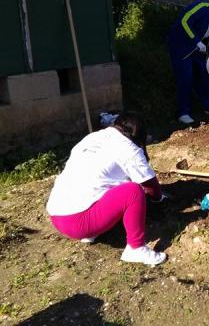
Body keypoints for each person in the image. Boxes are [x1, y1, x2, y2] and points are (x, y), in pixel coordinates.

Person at [46, 112, 167, 266]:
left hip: (58, 216)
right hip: (79, 222)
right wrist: (159, 198)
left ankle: (92, 232)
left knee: (109, 182)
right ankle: (135, 249)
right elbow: (149, 185)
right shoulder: (130, 149)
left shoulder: (94, 137)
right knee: (133, 191)